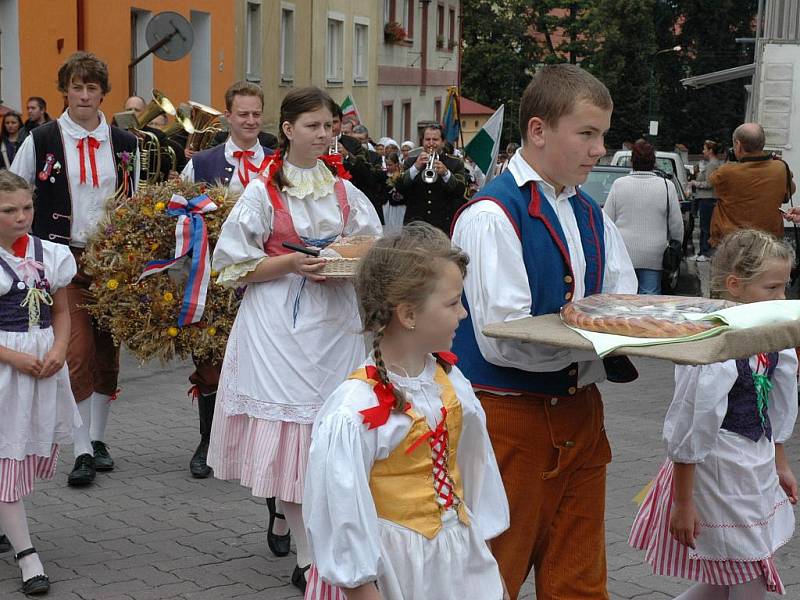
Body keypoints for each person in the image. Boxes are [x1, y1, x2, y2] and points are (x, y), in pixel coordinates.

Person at [450, 63, 637, 600]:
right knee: (493, 576)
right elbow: (504, 336)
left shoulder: (591, 213)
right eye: (587, 133)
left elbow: (623, 303)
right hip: (510, 417)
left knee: (579, 582)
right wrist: (601, 337)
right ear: (538, 130)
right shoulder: (492, 214)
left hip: (580, 410)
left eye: (601, 134)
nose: (599, 148)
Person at [207, 86, 381, 593]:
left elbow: (372, 251)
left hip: (335, 324)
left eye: (330, 126)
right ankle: (308, 557)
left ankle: (300, 525)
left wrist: (347, 266)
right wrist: (289, 262)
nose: (324, 135)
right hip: (279, 325)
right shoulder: (263, 193)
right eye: (313, 126)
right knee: (296, 441)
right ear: (287, 130)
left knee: (329, 436)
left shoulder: (346, 191)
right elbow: (231, 264)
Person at [303, 222, 509, 600]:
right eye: (452, 303)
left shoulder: (451, 382)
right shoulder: (354, 409)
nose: (463, 313)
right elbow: (340, 508)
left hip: (457, 561)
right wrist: (364, 586)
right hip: (396, 570)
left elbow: (476, 467)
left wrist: (482, 560)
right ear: (408, 314)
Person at [629, 229, 797, 599]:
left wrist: (779, 460)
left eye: (785, 288)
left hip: (752, 466)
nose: (782, 298)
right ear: (735, 285)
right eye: (771, 289)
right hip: (717, 471)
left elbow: (776, 400)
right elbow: (691, 425)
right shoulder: (713, 345)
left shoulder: (767, 333)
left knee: (730, 576)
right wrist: (683, 502)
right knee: (745, 574)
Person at [10, 51, 139, 488]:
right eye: (76, 87)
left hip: (114, 258)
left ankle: (99, 440)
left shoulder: (126, 143)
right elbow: (14, 189)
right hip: (62, 259)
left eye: (92, 88)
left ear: (104, 93)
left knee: (108, 349)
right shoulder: (42, 138)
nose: (84, 96)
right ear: (64, 90)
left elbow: (136, 200)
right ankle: (81, 449)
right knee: (77, 349)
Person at [175, 81, 276, 480]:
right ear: (228, 116)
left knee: (263, 361)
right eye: (243, 114)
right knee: (210, 361)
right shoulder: (202, 162)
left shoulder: (278, 161)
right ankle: (208, 439)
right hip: (213, 278)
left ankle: (256, 443)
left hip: (265, 278)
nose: (250, 121)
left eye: (256, 114)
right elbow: (179, 211)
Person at [0, 170, 80, 596]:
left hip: (43, 365)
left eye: (27, 208)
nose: (21, 217)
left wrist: (60, 348)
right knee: (6, 454)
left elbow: (62, 311)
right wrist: (15, 357)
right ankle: (27, 553)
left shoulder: (50, 254)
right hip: (6, 371)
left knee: (19, 444)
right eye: (9, 210)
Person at [604, 140, 683, 294]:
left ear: (632, 161)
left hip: (624, 252)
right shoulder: (667, 186)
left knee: (623, 297)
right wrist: (676, 244)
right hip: (655, 254)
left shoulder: (619, 184)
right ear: (654, 162)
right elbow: (676, 225)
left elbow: (606, 220)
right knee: (649, 299)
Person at [709, 123, 794, 249]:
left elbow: (712, 183)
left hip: (733, 242)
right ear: (763, 144)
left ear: (738, 145)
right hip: (768, 242)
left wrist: (731, 161)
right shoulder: (780, 168)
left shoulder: (726, 172)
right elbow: (787, 195)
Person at [395, 124, 467, 235]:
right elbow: (400, 187)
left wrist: (446, 173)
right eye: (427, 139)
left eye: (435, 139)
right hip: (415, 225)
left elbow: (460, 190)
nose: (431, 143)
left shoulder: (455, 163)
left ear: (443, 142)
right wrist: (415, 168)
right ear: (422, 142)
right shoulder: (410, 162)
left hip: (443, 225)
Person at [688, 140, 724, 261]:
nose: (703, 151)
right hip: (705, 198)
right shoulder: (711, 164)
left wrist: (695, 183)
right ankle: (701, 252)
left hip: (708, 198)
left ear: (710, 151)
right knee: (705, 225)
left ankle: (705, 252)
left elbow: (709, 184)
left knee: (705, 226)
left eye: (704, 149)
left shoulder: (712, 165)